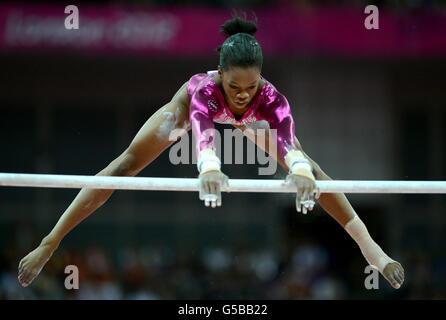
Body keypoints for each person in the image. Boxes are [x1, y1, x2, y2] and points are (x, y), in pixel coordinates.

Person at [18, 13, 404, 291]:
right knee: (126, 164)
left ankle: (372, 251)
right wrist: (209, 166)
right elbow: (202, 129)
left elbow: (287, 139)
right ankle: (48, 243)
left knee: (315, 172)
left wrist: (299, 168)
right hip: (189, 111)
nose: (241, 94)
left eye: (250, 87)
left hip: (253, 122)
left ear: (261, 82)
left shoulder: (271, 100)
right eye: (235, 86)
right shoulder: (204, 91)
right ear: (220, 74)